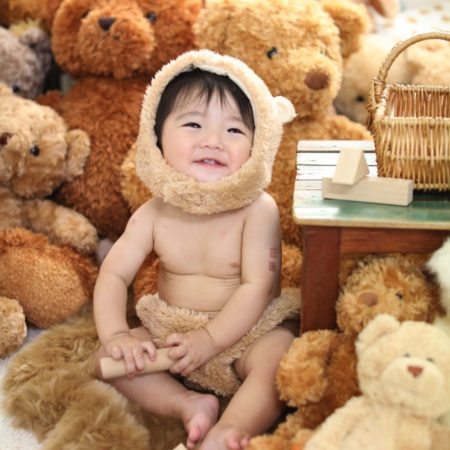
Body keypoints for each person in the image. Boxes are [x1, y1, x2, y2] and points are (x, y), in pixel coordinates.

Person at [93, 50, 298, 450]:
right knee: (106, 361)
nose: (213, 142)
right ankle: (187, 404)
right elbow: (114, 274)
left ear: (258, 145)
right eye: (193, 124)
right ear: (156, 137)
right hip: (172, 336)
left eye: (234, 130)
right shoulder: (154, 213)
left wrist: (209, 339)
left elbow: (258, 287)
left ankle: (228, 430)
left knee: (281, 356)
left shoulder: (258, 209)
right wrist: (118, 335)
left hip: (245, 335)